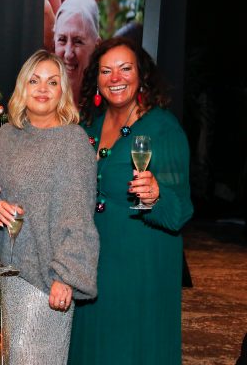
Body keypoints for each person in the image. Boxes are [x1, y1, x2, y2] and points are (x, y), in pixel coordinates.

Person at [68, 37, 194, 364]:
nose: (116, 78)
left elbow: (180, 211)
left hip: (140, 266)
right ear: (96, 80)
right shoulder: (90, 127)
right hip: (95, 262)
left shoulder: (163, 128)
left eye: (125, 68)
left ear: (142, 75)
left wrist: (156, 195)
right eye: (106, 71)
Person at [0, 51, 99, 365]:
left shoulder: (73, 141)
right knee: (14, 356)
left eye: (52, 82)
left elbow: (79, 215)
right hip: (12, 272)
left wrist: (66, 275)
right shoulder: (4, 137)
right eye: (34, 81)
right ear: (23, 86)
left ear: (63, 91)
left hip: (50, 278)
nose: (42, 89)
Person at [48, 0, 101, 106]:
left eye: (78, 41)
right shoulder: (39, 99)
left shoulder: (109, 105)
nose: (68, 54)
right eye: (62, 39)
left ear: (96, 47)